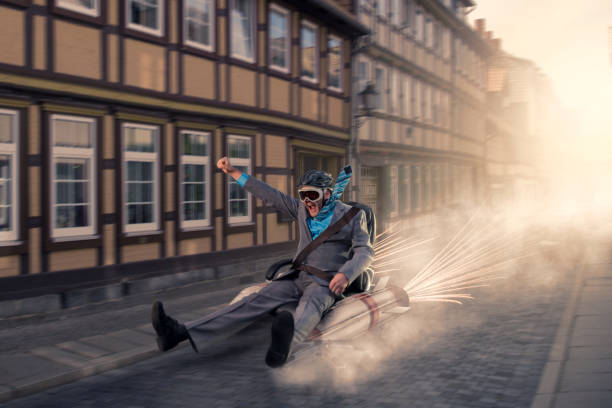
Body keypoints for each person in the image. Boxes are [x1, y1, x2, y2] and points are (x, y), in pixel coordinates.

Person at [151, 157, 374, 367]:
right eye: (303, 195)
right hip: (297, 277)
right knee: (253, 300)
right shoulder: (301, 209)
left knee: (310, 306)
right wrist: (234, 172)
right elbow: (268, 194)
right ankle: (178, 333)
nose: (307, 202)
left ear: (327, 193)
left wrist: (345, 274)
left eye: (312, 195)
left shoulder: (353, 216)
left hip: (325, 283)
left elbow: (364, 251)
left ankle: (282, 350)